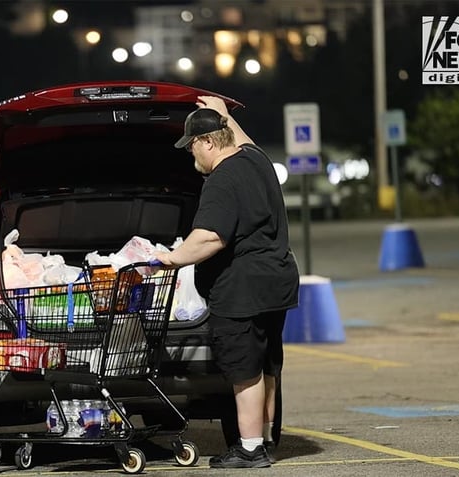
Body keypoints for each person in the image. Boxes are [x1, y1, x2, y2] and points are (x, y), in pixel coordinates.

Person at [155, 96, 299, 468]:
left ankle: (250, 449)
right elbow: (244, 140)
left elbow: (210, 237)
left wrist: (171, 259)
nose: (192, 157)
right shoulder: (256, 161)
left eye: (192, 148)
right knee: (267, 365)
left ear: (207, 143)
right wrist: (223, 113)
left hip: (242, 291)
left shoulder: (221, 181)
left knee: (244, 371)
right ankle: (265, 439)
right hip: (276, 283)